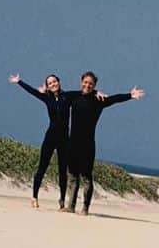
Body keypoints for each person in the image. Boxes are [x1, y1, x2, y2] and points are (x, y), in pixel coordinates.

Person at [8, 73, 102, 209]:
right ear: (47, 86)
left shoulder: (68, 96)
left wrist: (98, 92)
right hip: (50, 137)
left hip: (64, 139)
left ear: (59, 82)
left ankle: (62, 200)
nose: (53, 84)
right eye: (50, 83)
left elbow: (85, 91)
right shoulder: (47, 98)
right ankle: (34, 197)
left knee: (62, 170)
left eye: (54, 81)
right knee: (42, 167)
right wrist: (19, 81)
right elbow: (32, 92)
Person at [62, 72, 145, 215]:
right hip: (73, 143)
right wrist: (44, 91)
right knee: (73, 176)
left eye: (91, 84)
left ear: (94, 85)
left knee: (87, 178)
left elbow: (114, 99)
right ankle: (70, 206)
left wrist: (130, 95)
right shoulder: (73, 96)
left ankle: (85, 208)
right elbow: (58, 95)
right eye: (85, 82)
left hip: (88, 145)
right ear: (81, 82)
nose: (87, 85)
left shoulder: (98, 100)